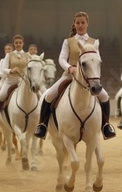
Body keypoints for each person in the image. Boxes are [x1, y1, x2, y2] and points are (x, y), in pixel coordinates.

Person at [33, 11, 116, 140]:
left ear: (87, 24)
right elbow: (61, 59)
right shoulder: (68, 41)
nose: (80, 25)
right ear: (74, 24)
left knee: (104, 96)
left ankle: (106, 126)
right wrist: (70, 68)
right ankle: (42, 125)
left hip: (88, 79)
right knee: (48, 96)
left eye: (83, 22)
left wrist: (93, 76)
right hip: (69, 76)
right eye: (78, 23)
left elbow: (97, 60)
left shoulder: (94, 42)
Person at [0, 35, 30, 128]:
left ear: (23, 44)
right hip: (10, 81)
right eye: (16, 43)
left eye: (20, 43)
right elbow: (3, 69)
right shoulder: (9, 55)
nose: (18, 44)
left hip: (23, 82)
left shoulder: (28, 55)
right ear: (14, 44)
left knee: (37, 95)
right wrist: (11, 70)